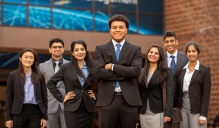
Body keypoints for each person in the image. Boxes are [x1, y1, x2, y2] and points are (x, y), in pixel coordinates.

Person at [94, 14, 142, 128]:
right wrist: (124, 74)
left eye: (121, 27)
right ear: (110, 30)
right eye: (114, 27)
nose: (117, 30)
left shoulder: (135, 49)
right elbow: (99, 73)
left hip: (129, 101)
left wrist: (112, 67)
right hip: (107, 101)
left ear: (126, 30)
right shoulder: (100, 49)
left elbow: (135, 72)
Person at [47, 40, 97, 128]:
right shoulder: (66, 67)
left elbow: (100, 83)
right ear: (73, 53)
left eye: (82, 49)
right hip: (72, 108)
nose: (80, 52)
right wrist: (62, 98)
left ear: (85, 51)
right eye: (77, 50)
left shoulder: (92, 67)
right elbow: (50, 83)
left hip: (88, 108)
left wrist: (96, 95)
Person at [5, 48, 48, 128]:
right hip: (18, 111)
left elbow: (44, 96)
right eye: (26, 57)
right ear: (20, 59)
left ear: (34, 60)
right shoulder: (13, 75)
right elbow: (9, 97)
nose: (28, 59)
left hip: (36, 111)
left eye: (31, 57)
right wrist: (8, 118)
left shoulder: (40, 76)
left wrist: (44, 117)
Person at [175, 41, 211, 128]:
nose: (191, 54)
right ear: (186, 53)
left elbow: (206, 94)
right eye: (189, 51)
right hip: (183, 107)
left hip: (197, 108)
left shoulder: (204, 70)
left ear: (198, 53)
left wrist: (203, 115)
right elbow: (177, 91)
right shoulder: (180, 71)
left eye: (194, 51)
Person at [138, 45, 174, 128]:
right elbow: (139, 93)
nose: (153, 54)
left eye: (156, 53)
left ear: (160, 56)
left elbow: (170, 93)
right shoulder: (142, 71)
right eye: (151, 52)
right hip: (143, 111)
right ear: (147, 54)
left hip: (158, 111)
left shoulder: (166, 71)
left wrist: (168, 113)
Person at [39, 38, 68, 128]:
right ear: (50, 49)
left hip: (67, 105)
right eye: (54, 47)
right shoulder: (41, 66)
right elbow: (39, 88)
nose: (57, 49)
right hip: (49, 106)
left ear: (63, 49)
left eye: (60, 47)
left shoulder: (71, 65)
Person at [163, 31, 188, 128]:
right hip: (165, 98)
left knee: (178, 125)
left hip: (180, 99)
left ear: (176, 42)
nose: (169, 44)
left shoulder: (185, 58)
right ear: (164, 44)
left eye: (172, 41)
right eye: (167, 42)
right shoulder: (161, 58)